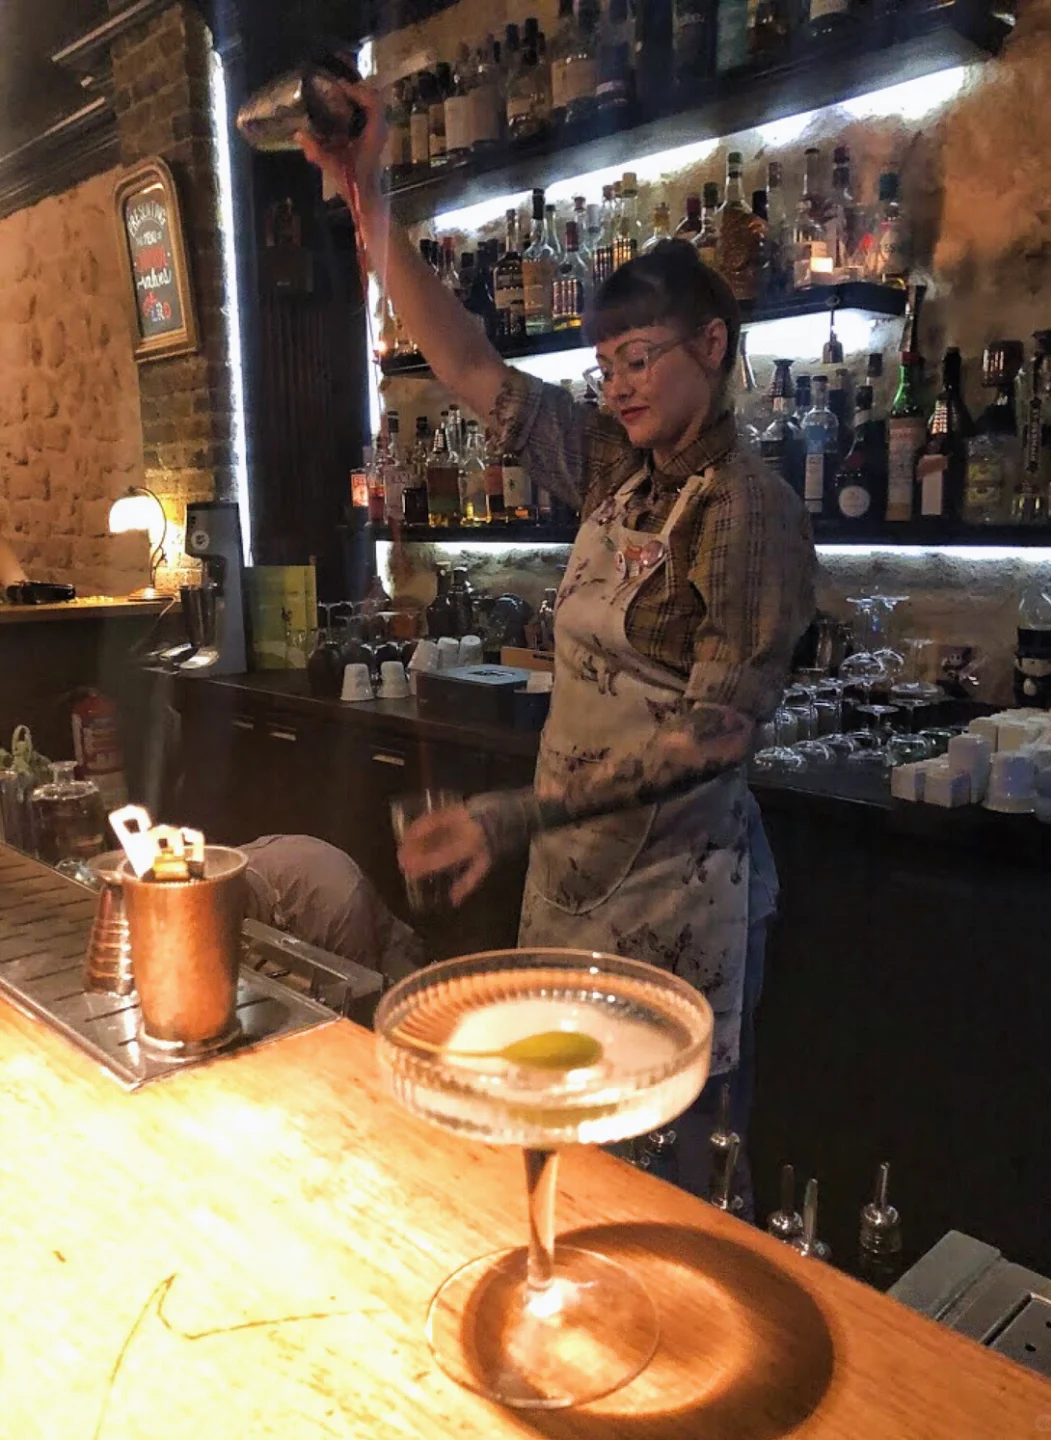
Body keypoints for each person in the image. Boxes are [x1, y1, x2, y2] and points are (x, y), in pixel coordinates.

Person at [300, 87, 816, 1210]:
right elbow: (472, 363)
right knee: (568, 1169)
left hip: (678, 897)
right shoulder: (609, 469)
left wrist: (516, 814)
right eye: (608, 364)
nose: (620, 384)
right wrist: (368, 197)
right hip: (576, 890)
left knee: (670, 1189)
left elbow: (714, 737)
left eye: (641, 358)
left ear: (713, 347)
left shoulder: (748, 512)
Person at [240, 834, 425, 984]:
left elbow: (360, 994)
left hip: (387, 963)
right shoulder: (222, 870)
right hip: (306, 956)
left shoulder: (335, 901)